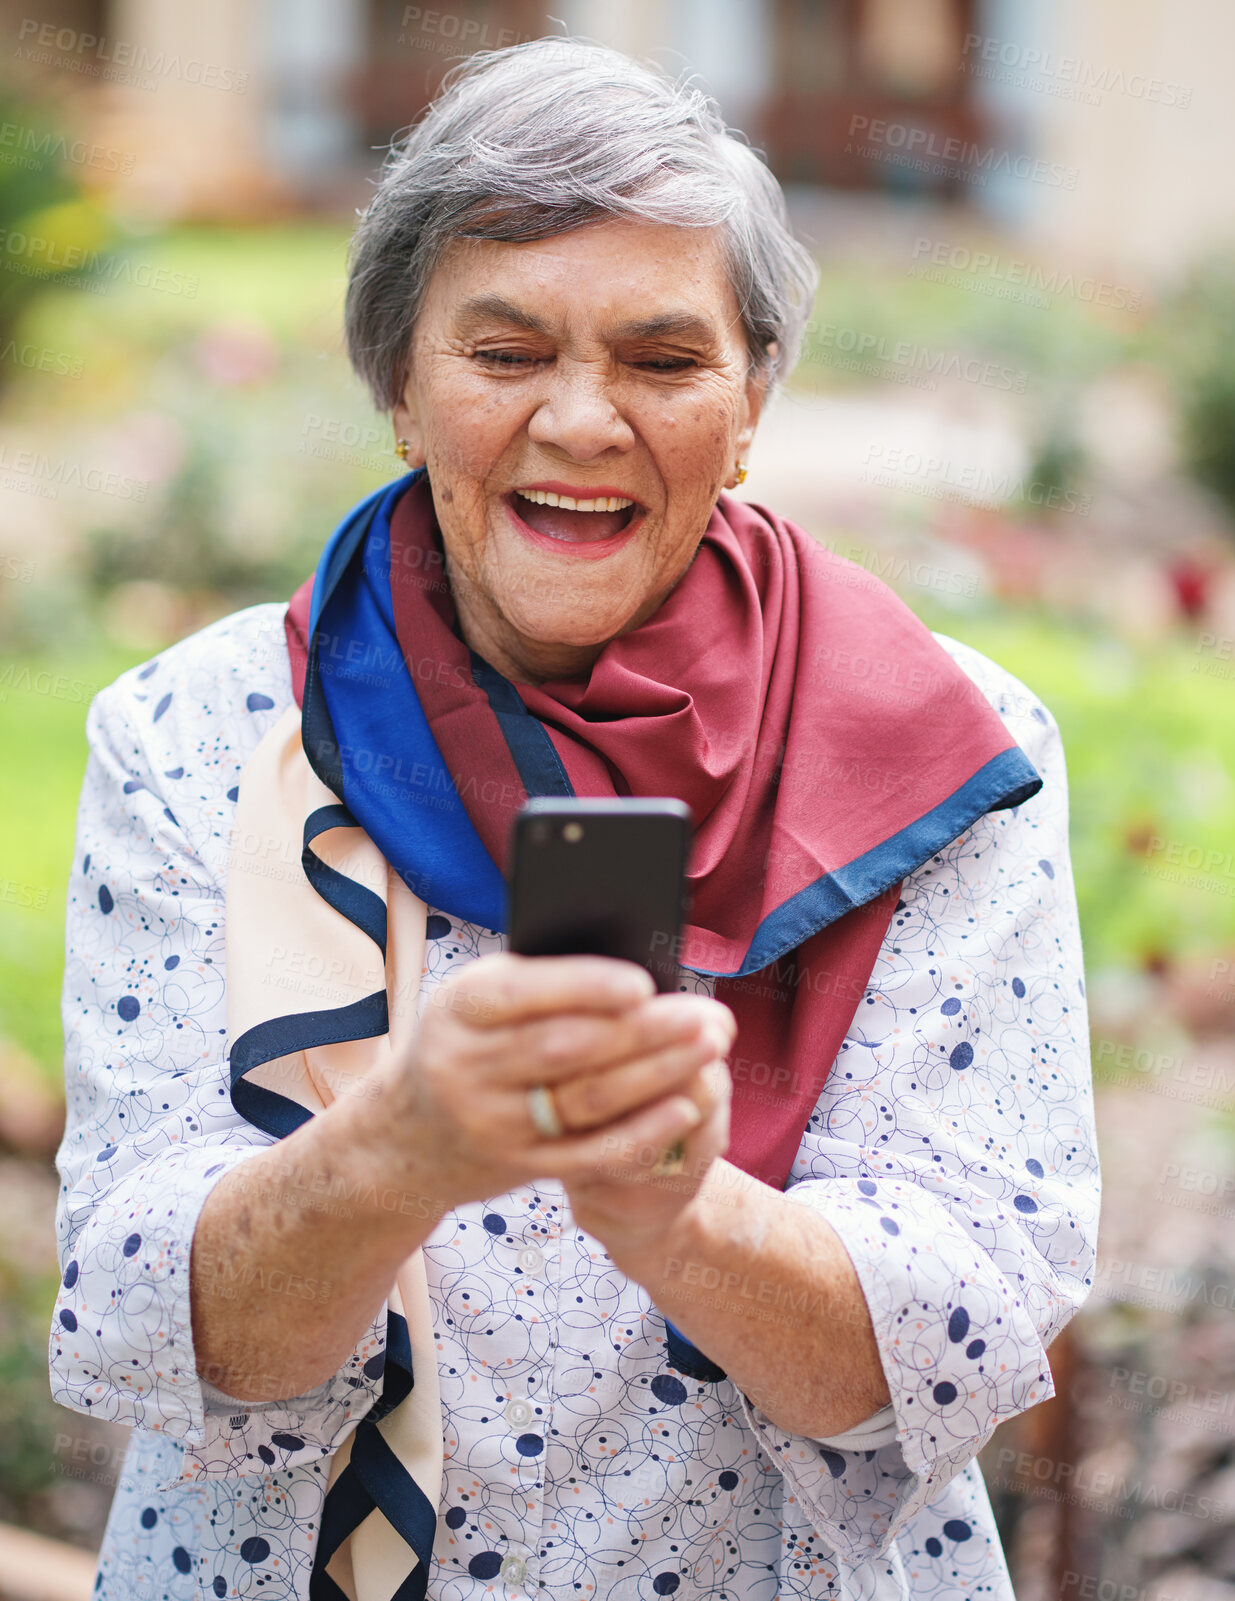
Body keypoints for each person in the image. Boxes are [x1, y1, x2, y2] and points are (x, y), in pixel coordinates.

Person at [49, 37, 1099, 1601]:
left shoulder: (951, 754)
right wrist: (400, 1149)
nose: (583, 421)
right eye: (505, 349)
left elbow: (958, 1344)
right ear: (400, 385)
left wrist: (674, 1206)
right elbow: (145, 1322)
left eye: (666, 360)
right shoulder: (197, 736)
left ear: (750, 409)